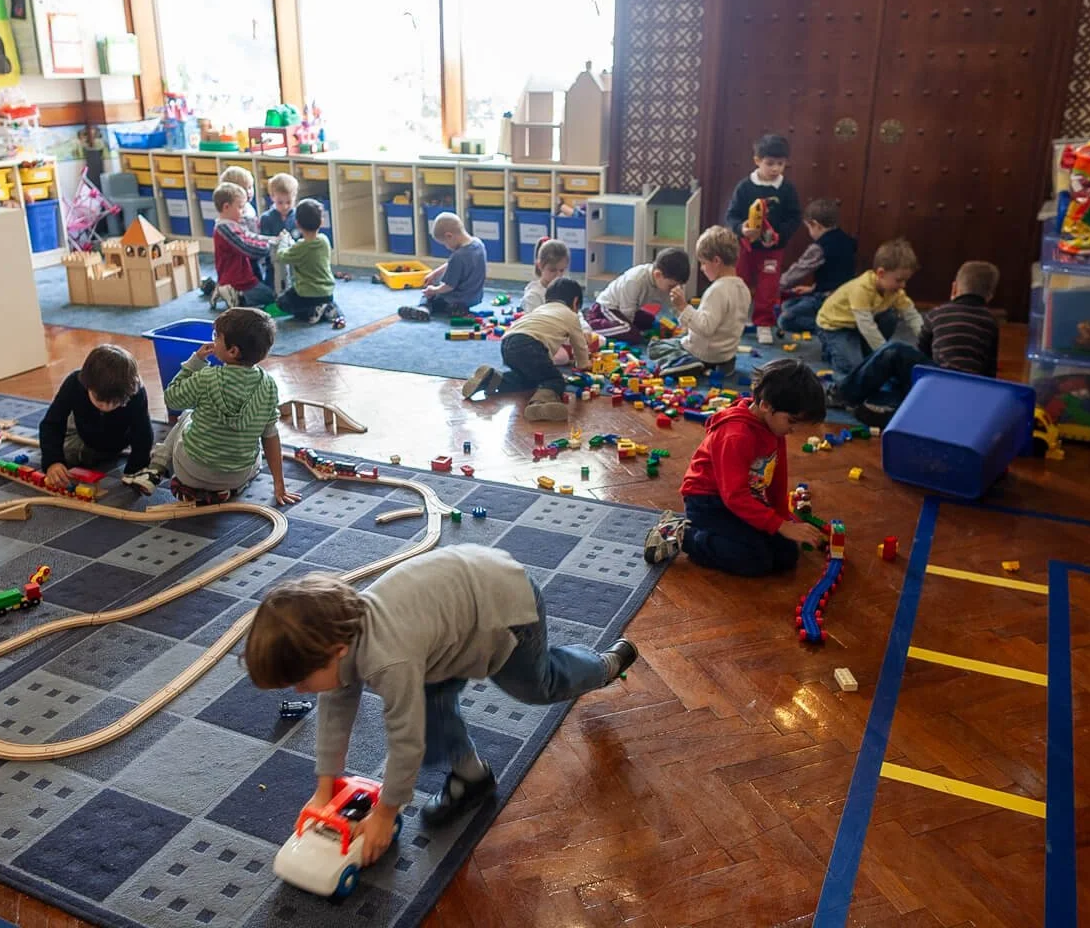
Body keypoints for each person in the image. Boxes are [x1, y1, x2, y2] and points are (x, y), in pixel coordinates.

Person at [242, 545, 639, 860]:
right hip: (449, 619)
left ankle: (604, 665)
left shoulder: (390, 659)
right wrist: (324, 787)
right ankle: (472, 777)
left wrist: (385, 813)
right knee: (433, 706)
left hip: (504, 605)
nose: (299, 692)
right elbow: (335, 711)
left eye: (300, 681)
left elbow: (405, 742)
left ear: (337, 650)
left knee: (539, 685)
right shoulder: (340, 641)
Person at [644, 358, 826, 575]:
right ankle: (680, 534)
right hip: (708, 502)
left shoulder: (775, 428)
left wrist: (782, 519)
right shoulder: (736, 436)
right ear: (766, 405)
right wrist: (782, 526)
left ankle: (733, 538)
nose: (793, 430)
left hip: (744, 498)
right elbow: (734, 496)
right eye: (792, 421)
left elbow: (777, 478)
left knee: (786, 555)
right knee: (754, 559)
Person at [128, 307, 300, 506]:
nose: (213, 341)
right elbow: (270, 436)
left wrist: (195, 362)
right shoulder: (268, 385)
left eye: (216, 337)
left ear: (233, 351)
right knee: (257, 452)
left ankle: (156, 469)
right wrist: (279, 485)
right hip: (237, 476)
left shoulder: (207, 378)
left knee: (187, 415)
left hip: (190, 471)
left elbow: (171, 399)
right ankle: (230, 490)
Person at [828, 261, 1003, 427]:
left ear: (954, 288)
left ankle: (842, 395)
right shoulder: (991, 322)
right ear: (989, 296)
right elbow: (990, 369)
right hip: (968, 395)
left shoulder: (938, 314)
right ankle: (894, 410)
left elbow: (921, 355)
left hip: (937, 385)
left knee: (895, 351)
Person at [462, 277, 589, 422]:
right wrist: (583, 364)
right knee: (554, 380)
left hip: (507, 342)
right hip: (530, 345)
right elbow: (580, 345)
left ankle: (491, 379)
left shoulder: (540, 309)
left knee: (527, 379)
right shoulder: (571, 315)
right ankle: (540, 404)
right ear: (575, 302)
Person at [37, 344, 156, 495]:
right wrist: (52, 462)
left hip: (119, 438)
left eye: (115, 403)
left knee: (148, 458)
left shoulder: (136, 392)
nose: (106, 407)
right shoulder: (74, 383)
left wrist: (134, 470)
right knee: (62, 454)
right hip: (84, 431)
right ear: (87, 386)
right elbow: (51, 424)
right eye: (100, 401)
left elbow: (143, 433)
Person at [814, 237, 924, 381]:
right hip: (834, 327)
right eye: (899, 280)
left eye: (906, 280)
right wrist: (885, 352)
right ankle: (830, 349)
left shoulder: (896, 292)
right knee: (855, 368)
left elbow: (912, 316)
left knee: (890, 316)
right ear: (881, 273)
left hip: (855, 325)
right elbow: (866, 326)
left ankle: (864, 350)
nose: (903, 285)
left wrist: (927, 340)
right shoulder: (862, 288)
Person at [646, 227, 751, 376]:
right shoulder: (743, 288)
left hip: (704, 353)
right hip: (725, 354)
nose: (702, 268)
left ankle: (687, 362)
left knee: (656, 346)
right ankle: (724, 365)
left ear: (716, 261)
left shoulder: (717, 290)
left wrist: (683, 306)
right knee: (682, 337)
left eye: (703, 263)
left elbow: (705, 328)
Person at [723, 133, 801, 332]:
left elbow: (794, 218)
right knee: (739, 283)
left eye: (781, 164)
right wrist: (741, 229)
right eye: (770, 163)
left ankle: (764, 322)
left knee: (768, 287)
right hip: (746, 247)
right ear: (757, 161)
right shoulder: (745, 187)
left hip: (773, 249)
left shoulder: (787, 189)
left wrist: (779, 235)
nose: (775, 168)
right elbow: (731, 216)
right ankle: (736, 319)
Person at [777, 199, 856, 335]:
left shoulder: (819, 247)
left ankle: (829, 326)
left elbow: (799, 270)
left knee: (785, 319)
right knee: (786, 305)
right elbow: (839, 273)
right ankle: (832, 319)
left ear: (815, 224)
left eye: (808, 228)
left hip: (827, 299)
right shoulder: (848, 241)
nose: (809, 232)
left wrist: (776, 285)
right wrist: (812, 288)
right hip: (845, 296)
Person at [583, 247, 692, 343]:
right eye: (671, 286)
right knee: (631, 334)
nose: (674, 289)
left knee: (649, 321)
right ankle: (590, 322)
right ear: (657, 275)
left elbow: (675, 307)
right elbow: (627, 312)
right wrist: (631, 329)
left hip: (628, 309)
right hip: (607, 307)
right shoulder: (635, 280)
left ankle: (619, 326)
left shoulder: (664, 281)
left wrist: (685, 327)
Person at [398, 212, 487, 321]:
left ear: (449, 236)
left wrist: (433, 290)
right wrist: (435, 273)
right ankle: (458, 309)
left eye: (445, 243)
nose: (447, 247)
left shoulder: (458, 256)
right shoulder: (478, 244)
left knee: (429, 294)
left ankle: (424, 308)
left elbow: (448, 286)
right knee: (437, 283)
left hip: (457, 298)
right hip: (475, 297)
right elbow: (452, 264)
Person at [208, 178, 276, 309]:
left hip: (242, 276)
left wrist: (270, 239)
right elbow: (246, 247)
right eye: (240, 207)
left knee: (265, 291)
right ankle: (236, 295)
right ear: (226, 207)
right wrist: (268, 248)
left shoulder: (232, 224)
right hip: (238, 280)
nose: (243, 211)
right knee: (270, 296)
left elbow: (250, 236)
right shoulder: (225, 228)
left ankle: (221, 289)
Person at [272, 198, 338, 324]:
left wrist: (283, 241)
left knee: (282, 302)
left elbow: (281, 256)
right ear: (321, 222)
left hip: (306, 294)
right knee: (323, 299)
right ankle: (327, 307)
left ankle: (311, 312)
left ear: (297, 224)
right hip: (327, 292)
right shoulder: (324, 240)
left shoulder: (300, 247)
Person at [258, 173, 299, 290]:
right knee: (272, 291)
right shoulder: (266, 218)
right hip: (273, 265)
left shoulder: (298, 216)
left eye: (289, 202)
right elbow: (264, 243)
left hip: (295, 264)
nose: (285, 206)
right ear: (272, 197)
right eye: (280, 202)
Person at [520, 237, 570, 313]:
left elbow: (576, 314)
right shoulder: (534, 295)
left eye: (562, 270)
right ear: (540, 266)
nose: (558, 275)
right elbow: (535, 322)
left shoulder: (566, 288)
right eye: (552, 270)